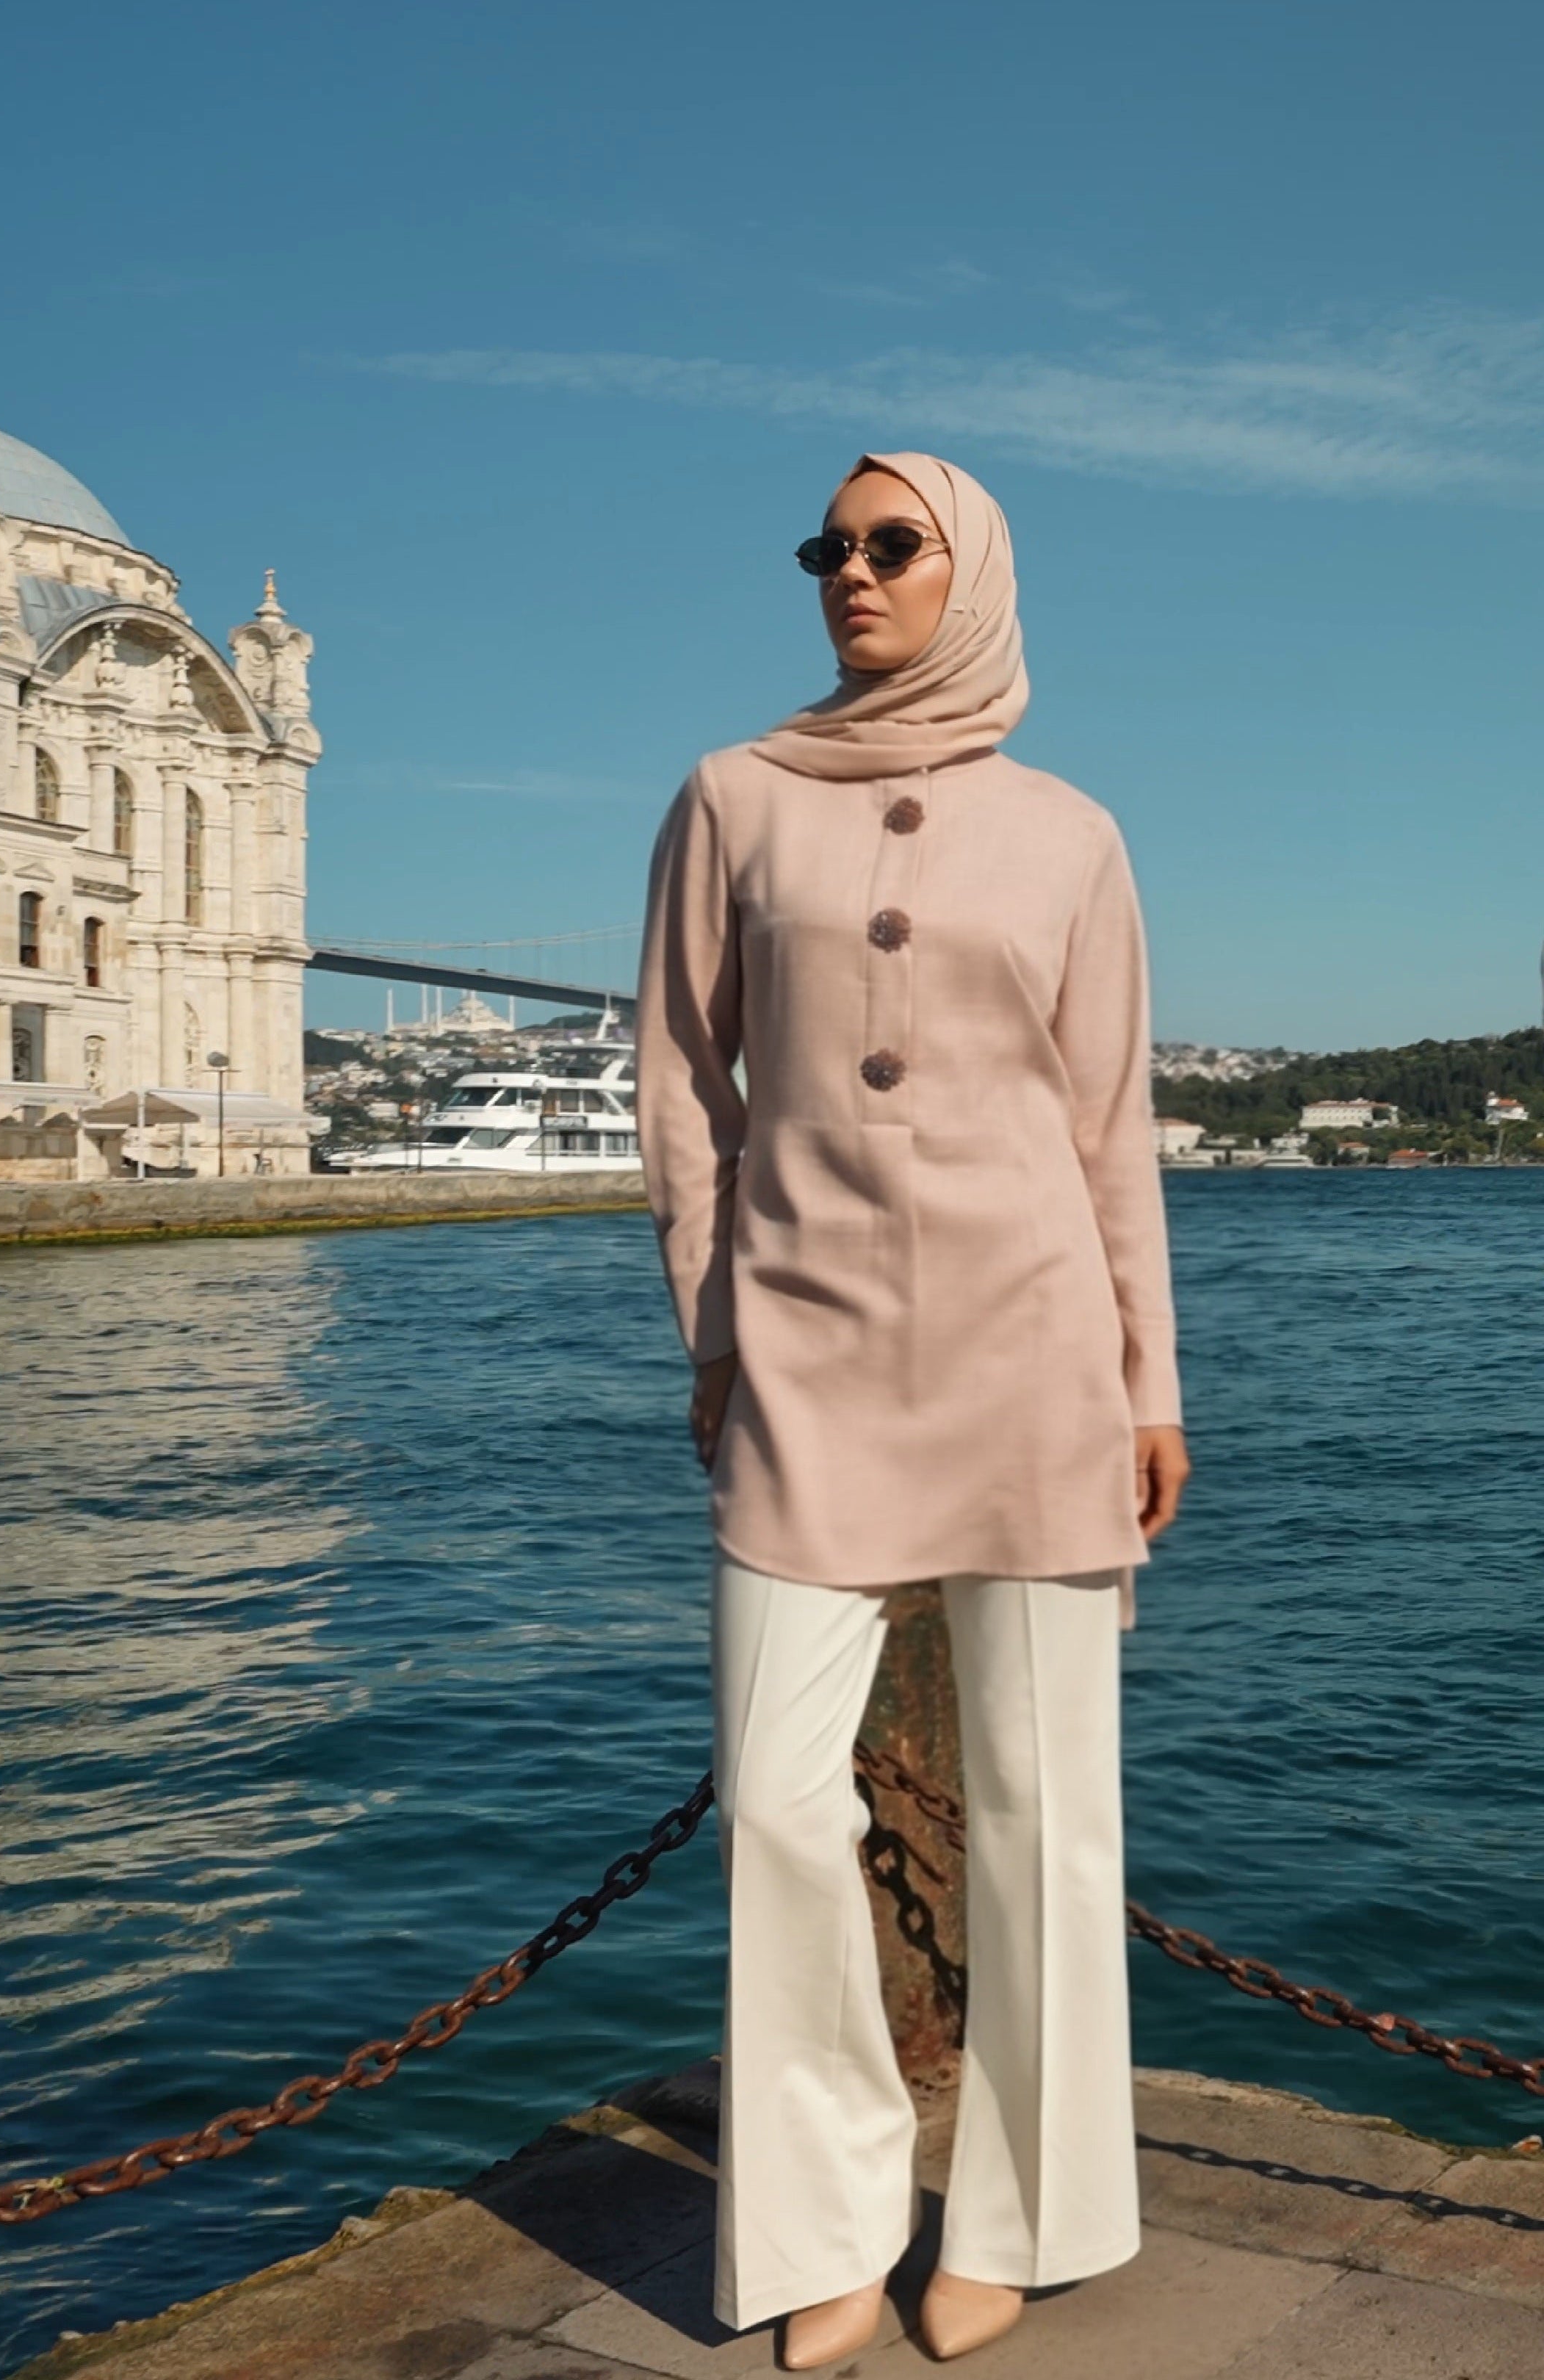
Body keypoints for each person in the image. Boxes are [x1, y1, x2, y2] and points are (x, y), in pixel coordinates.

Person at [635, 451, 1189, 2369]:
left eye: (893, 546)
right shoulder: (730, 801)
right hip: (801, 1363)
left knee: (1046, 1819)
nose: (851, 575)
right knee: (782, 1803)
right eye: (829, 549)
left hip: (1038, 1363)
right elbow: (682, 1092)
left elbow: (1112, 1128)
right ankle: (829, 2225)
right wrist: (715, 1332)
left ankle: (1020, 2220)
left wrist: (1152, 1380)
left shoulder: (1074, 836)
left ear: (977, 572)